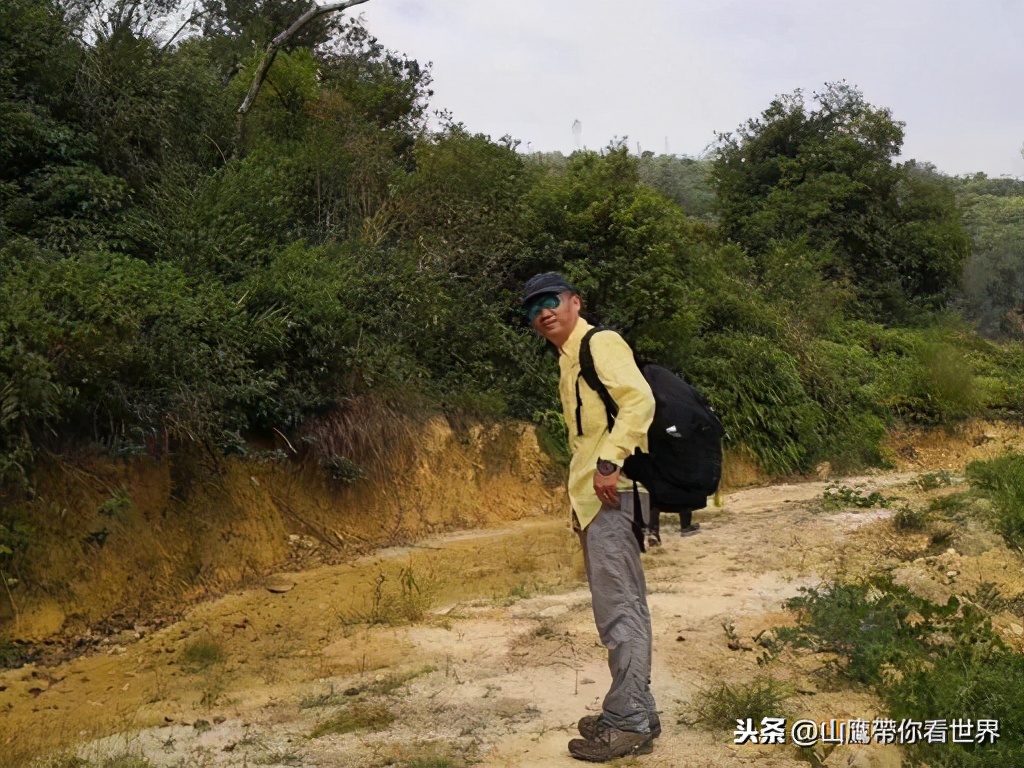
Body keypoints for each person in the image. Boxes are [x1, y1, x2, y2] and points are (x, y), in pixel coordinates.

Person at [521, 272, 661, 762]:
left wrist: (608, 463)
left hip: (614, 493)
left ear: (575, 302)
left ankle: (628, 722)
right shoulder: (569, 359)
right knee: (624, 605)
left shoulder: (599, 343)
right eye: (533, 307)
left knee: (619, 609)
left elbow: (639, 400)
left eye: (551, 301)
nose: (543, 312)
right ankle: (638, 709)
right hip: (598, 497)